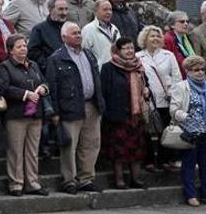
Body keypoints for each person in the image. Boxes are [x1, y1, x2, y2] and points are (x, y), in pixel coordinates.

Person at [46, 22, 105, 194]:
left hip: (91, 105)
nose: (78, 35)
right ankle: (69, 180)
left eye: (79, 32)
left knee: (91, 144)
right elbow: (53, 86)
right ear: (64, 37)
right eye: (74, 33)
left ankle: (86, 178)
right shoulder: (56, 58)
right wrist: (55, 111)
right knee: (69, 145)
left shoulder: (88, 54)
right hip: (70, 107)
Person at [0, 34, 51, 196]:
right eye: (19, 46)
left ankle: (32, 182)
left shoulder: (33, 65)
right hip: (16, 114)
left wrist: (43, 89)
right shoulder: (4, 67)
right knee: (16, 150)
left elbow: (44, 82)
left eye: (24, 46)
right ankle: (16, 184)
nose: (23, 49)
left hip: (35, 114)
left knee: (32, 151)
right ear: (11, 50)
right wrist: (25, 94)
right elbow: (3, 88)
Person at [100, 37, 149, 190]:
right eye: (126, 48)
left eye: (131, 48)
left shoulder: (138, 67)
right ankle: (119, 180)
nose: (129, 51)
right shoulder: (108, 68)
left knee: (137, 149)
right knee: (118, 151)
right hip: (117, 115)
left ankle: (136, 178)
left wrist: (147, 92)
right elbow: (104, 91)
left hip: (136, 115)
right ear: (118, 50)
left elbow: (146, 86)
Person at [137, 25, 182, 173]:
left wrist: (174, 93)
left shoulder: (168, 55)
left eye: (158, 36)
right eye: (152, 36)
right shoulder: (138, 57)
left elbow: (176, 76)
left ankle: (165, 160)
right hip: (148, 100)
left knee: (165, 129)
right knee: (148, 131)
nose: (156, 38)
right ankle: (148, 160)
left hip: (166, 98)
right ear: (145, 38)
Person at [169, 56, 206, 206]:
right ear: (188, 71)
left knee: (205, 163)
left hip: (205, 130)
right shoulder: (181, 87)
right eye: (196, 70)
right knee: (189, 163)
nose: (200, 72)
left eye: (202, 69)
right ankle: (190, 194)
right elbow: (174, 110)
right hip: (190, 131)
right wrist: (188, 117)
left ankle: (205, 193)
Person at [27, 0, 69, 72]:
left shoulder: (70, 27)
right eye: (60, 9)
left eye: (66, 9)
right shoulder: (39, 29)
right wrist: (48, 65)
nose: (64, 13)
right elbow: (33, 52)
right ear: (50, 10)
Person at [164, 11, 206, 77]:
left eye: (187, 21)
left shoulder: (185, 37)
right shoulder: (168, 39)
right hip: (179, 79)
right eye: (182, 21)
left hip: (192, 76)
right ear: (172, 25)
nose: (186, 24)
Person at [82, 0, 120, 67]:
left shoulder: (115, 29)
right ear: (95, 12)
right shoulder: (88, 30)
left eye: (110, 9)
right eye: (105, 9)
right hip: (100, 72)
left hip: (117, 70)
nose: (108, 12)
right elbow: (84, 55)